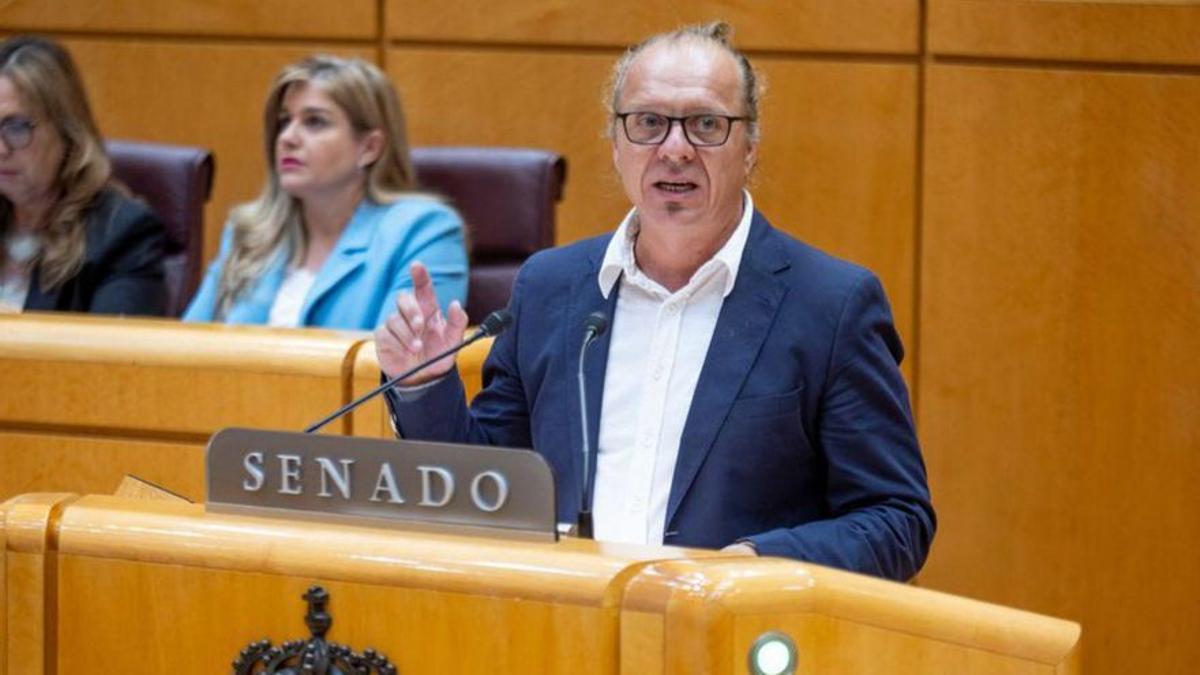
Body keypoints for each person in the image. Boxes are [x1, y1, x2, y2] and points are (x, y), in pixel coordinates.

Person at [376, 24, 934, 581]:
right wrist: (421, 384)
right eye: (648, 123)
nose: (674, 150)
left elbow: (895, 518)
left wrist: (759, 565)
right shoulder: (550, 287)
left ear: (750, 149)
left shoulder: (831, 305)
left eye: (706, 125)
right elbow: (488, 489)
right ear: (616, 145)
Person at [184, 55, 467, 329]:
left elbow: (404, 366)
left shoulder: (422, 232)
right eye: (285, 121)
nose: (287, 138)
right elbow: (183, 347)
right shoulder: (248, 233)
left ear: (369, 148)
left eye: (314, 122)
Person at [0, 36, 166, 315]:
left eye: (17, 128)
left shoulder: (122, 236)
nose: (1, 149)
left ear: (68, 132)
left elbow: (112, 353)